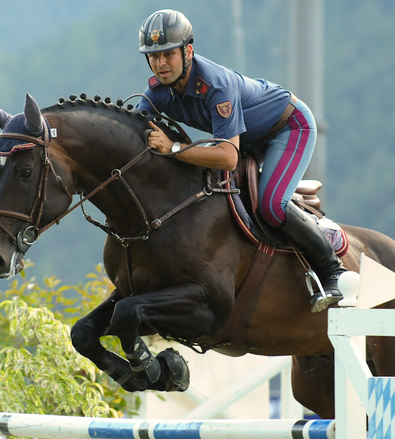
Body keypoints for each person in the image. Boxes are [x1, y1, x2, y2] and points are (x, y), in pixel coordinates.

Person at [135, 9, 345, 311]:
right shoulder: (156, 92)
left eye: (168, 54)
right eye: (153, 56)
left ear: (188, 51)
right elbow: (139, 129)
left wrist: (173, 149)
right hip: (247, 138)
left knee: (272, 207)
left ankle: (332, 270)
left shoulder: (215, 86)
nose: (160, 63)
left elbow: (227, 157)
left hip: (288, 127)